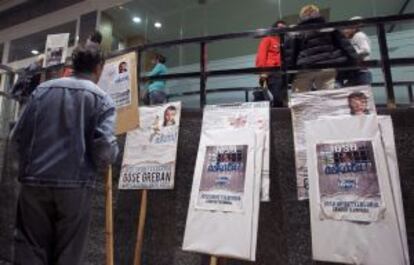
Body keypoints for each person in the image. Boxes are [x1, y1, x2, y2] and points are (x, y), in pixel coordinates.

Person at [11, 41, 119, 265]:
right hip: (75, 186)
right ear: (99, 67)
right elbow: (105, 151)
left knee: (30, 249)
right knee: (69, 254)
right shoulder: (102, 100)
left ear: (74, 64)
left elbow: (18, 136)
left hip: (34, 182)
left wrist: (27, 169)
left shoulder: (42, 91)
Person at [284, 4, 358, 93]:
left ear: (302, 16)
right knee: (328, 95)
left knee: (300, 95)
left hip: (306, 66)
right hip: (327, 65)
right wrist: (355, 61)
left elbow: (291, 53)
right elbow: (345, 45)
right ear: (317, 13)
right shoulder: (329, 27)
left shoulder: (298, 31)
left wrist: (289, 72)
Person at [255, 20, 287, 107]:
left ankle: (280, 115)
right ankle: (277, 116)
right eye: (279, 27)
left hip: (281, 73)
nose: (281, 30)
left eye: (284, 28)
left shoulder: (283, 42)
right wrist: (263, 73)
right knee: (276, 97)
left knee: (282, 97)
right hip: (271, 72)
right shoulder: (267, 39)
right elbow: (261, 56)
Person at [341, 16, 372, 86]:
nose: (346, 30)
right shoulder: (354, 37)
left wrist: (350, 55)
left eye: (348, 27)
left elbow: (366, 50)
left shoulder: (358, 36)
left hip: (361, 72)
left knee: (363, 94)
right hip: (356, 72)